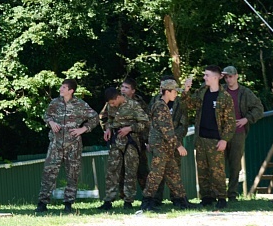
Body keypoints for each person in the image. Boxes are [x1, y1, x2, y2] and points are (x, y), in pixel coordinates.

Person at [37, 79, 99, 213]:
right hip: (55, 144)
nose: (61, 89)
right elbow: (46, 116)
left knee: (72, 174)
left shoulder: (80, 104)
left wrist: (83, 129)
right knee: (49, 172)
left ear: (71, 91)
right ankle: (42, 203)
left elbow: (95, 117)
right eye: (61, 86)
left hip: (73, 145)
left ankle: (68, 204)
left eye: (64, 87)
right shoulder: (54, 103)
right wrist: (51, 122)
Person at [181, 65, 236, 209]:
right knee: (202, 169)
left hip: (216, 140)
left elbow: (230, 121)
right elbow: (190, 104)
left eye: (207, 75)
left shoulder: (224, 97)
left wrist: (225, 139)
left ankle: (221, 198)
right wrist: (186, 90)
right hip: (200, 138)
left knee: (217, 170)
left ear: (216, 77)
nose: (204, 77)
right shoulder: (202, 92)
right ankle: (206, 197)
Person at [141, 79, 192, 211]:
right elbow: (167, 131)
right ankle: (147, 202)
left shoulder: (161, 105)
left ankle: (182, 200)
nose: (176, 94)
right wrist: (178, 145)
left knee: (173, 172)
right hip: (160, 146)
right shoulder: (161, 107)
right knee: (156, 174)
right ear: (167, 91)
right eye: (174, 91)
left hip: (165, 146)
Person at [98, 86, 148, 210]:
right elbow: (108, 119)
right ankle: (108, 200)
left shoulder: (133, 105)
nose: (112, 105)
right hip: (116, 140)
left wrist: (130, 128)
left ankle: (128, 201)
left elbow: (145, 122)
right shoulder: (110, 105)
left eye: (113, 102)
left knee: (130, 171)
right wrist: (108, 129)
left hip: (131, 141)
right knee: (112, 170)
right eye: (110, 104)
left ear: (118, 97)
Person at [221, 65, 265, 199]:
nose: (229, 80)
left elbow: (259, 109)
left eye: (231, 76)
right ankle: (220, 193)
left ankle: (232, 193)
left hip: (238, 132)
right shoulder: (220, 91)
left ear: (236, 76)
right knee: (218, 164)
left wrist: (246, 119)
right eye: (226, 77)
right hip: (221, 133)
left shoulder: (245, 92)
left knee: (235, 164)